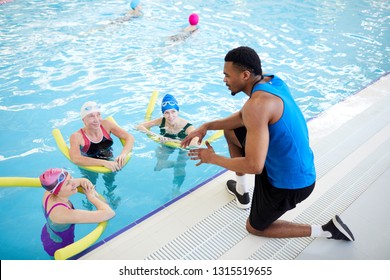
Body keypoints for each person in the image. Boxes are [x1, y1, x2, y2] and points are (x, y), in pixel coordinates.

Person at [181, 46, 355, 242]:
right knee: (230, 130)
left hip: (290, 184)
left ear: (245, 75)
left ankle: (327, 230)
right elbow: (241, 117)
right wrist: (206, 126)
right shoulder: (272, 82)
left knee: (255, 227)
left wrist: (212, 158)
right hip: (291, 163)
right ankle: (242, 191)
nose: (224, 80)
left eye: (227, 75)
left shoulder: (256, 106)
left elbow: (254, 166)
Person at [39, 168, 115, 258]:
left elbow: (82, 180)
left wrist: (87, 185)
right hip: (60, 247)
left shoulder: (49, 191)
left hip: (49, 232)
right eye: (68, 183)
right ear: (57, 192)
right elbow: (109, 213)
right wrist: (91, 197)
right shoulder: (63, 214)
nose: (74, 183)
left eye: (71, 177)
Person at [69, 101, 134, 172]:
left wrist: (123, 154)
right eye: (91, 116)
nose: (96, 120)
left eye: (98, 115)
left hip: (108, 156)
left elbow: (129, 137)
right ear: (84, 120)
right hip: (88, 163)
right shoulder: (77, 137)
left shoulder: (106, 125)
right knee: (90, 180)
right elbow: (76, 159)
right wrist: (104, 163)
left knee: (111, 177)